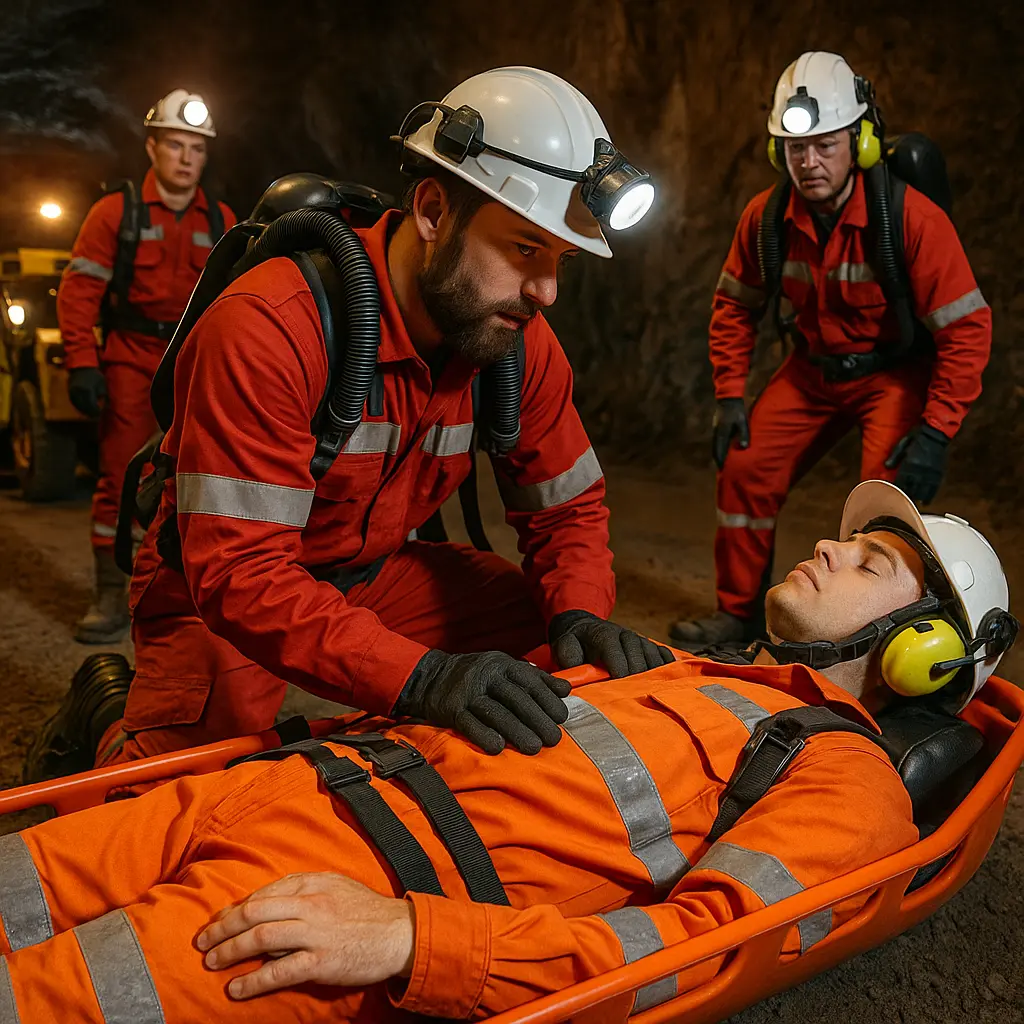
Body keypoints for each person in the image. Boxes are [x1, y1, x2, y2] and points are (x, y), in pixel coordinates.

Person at [0, 481, 1013, 1022]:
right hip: (264, 791)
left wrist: (409, 940)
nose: (829, 544)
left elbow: (690, 950)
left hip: (331, 898)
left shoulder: (845, 777)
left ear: (920, 653)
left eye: (871, 560)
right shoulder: (675, 666)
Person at [33, 66, 665, 778]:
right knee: (177, 802)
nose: (546, 291)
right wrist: (419, 679)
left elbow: (568, 511)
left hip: (370, 573)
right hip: (228, 585)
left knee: (555, 658)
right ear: (432, 212)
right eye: (524, 248)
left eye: (562, 260)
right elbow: (241, 573)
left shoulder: (511, 338)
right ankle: (102, 719)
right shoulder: (270, 325)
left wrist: (579, 615)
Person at [669, 52, 991, 648]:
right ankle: (738, 614)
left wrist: (936, 433)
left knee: (885, 502)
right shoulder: (766, 219)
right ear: (778, 152)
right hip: (810, 373)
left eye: (826, 144)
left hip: (891, 376)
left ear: (861, 142)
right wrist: (730, 397)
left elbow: (967, 327)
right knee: (744, 469)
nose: (809, 162)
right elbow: (735, 306)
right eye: (796, 149)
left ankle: (863, 633)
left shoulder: (909, 219)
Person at [58, 89, 236, 643]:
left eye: (197, 149)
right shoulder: (117, 211)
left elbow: (237, 302)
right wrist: (82, 363)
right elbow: (81, 289)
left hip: (192, 365)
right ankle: (109, 594)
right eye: (176, 145)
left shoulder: (221, 219)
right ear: (153, 147)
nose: (187, 159)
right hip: (131, 362)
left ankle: (180, 598)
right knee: (120, 478)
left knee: (197, 483)